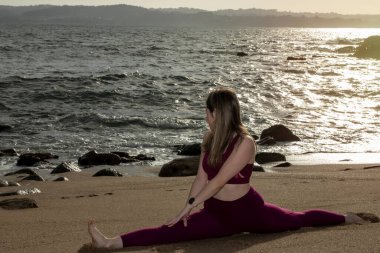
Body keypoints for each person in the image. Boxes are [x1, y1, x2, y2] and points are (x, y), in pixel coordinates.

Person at [88, 87, 377, 249]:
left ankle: (347, 217)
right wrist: (185, 209)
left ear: (219, 112)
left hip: (249, 211)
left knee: (295, 219)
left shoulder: (246, 143)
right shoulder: (209, 139)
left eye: (208, 111)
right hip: (216, 213)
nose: (205, 115)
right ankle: (112, 243)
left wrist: (187, 208)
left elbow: (219, 180)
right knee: (169, 231)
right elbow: (202, 177)